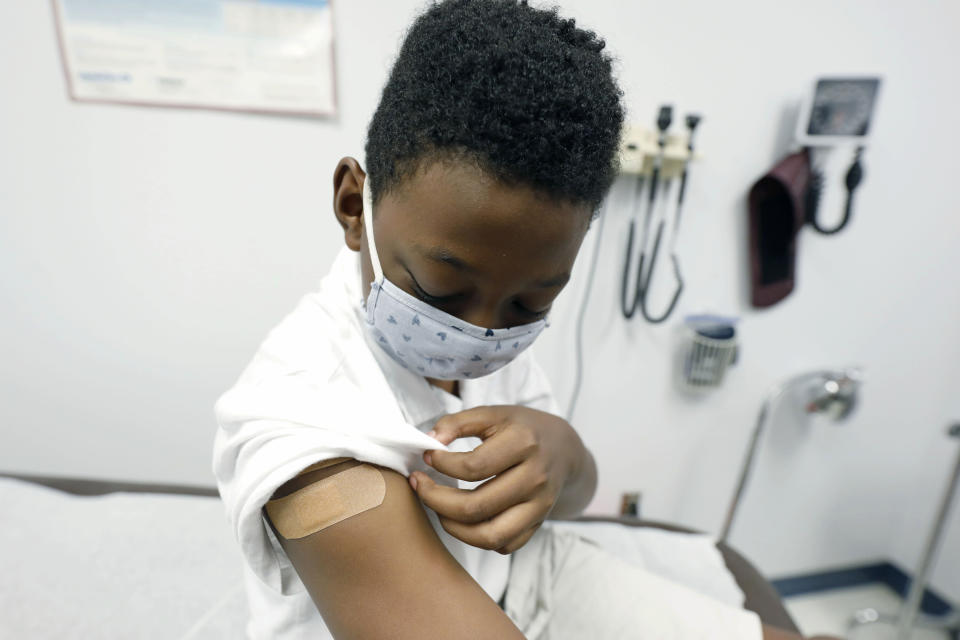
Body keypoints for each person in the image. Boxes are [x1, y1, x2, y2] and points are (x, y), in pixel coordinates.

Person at [212, 1, 837, 638]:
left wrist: (564, 458)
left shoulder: (490, 297)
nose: (479, 334)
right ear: (353, 206)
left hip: (531, 576)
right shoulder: (300, 422)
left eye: (529, 304)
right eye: (441, 289)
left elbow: (568, 497)